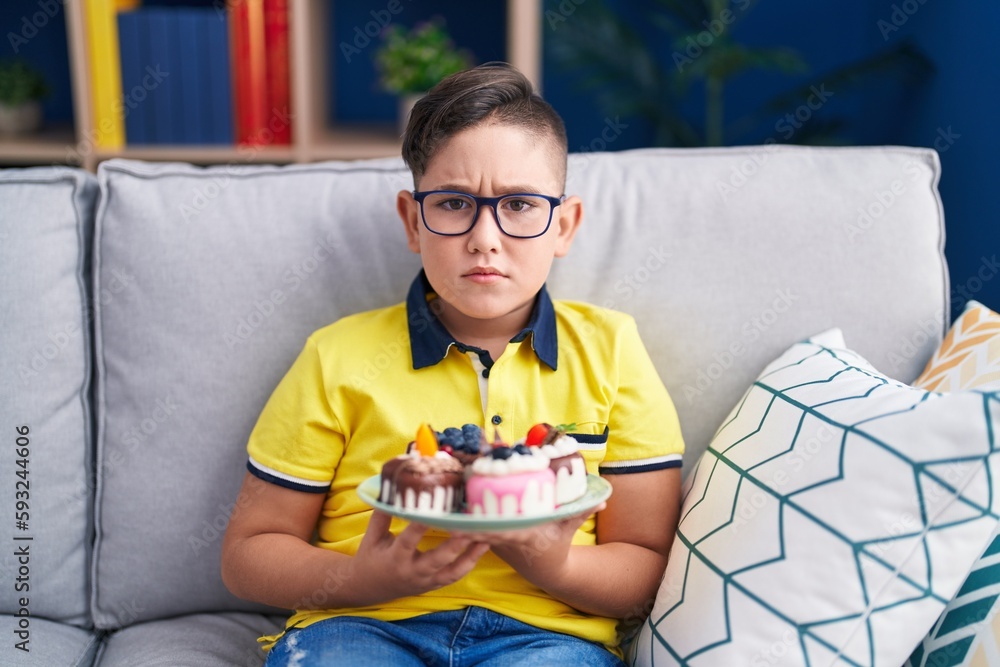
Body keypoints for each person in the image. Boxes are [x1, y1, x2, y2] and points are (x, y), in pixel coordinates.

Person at [221, 61, 684, 666]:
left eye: (519, 204)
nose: (485, 237)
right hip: (362, 629)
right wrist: (366, 580)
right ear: (414, 221)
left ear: (564, 225)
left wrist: (555, 563)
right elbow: (248, 555)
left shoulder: (613, 350)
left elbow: (646, 565)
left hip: (545, 638)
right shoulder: (336, 356)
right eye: (454, 203)